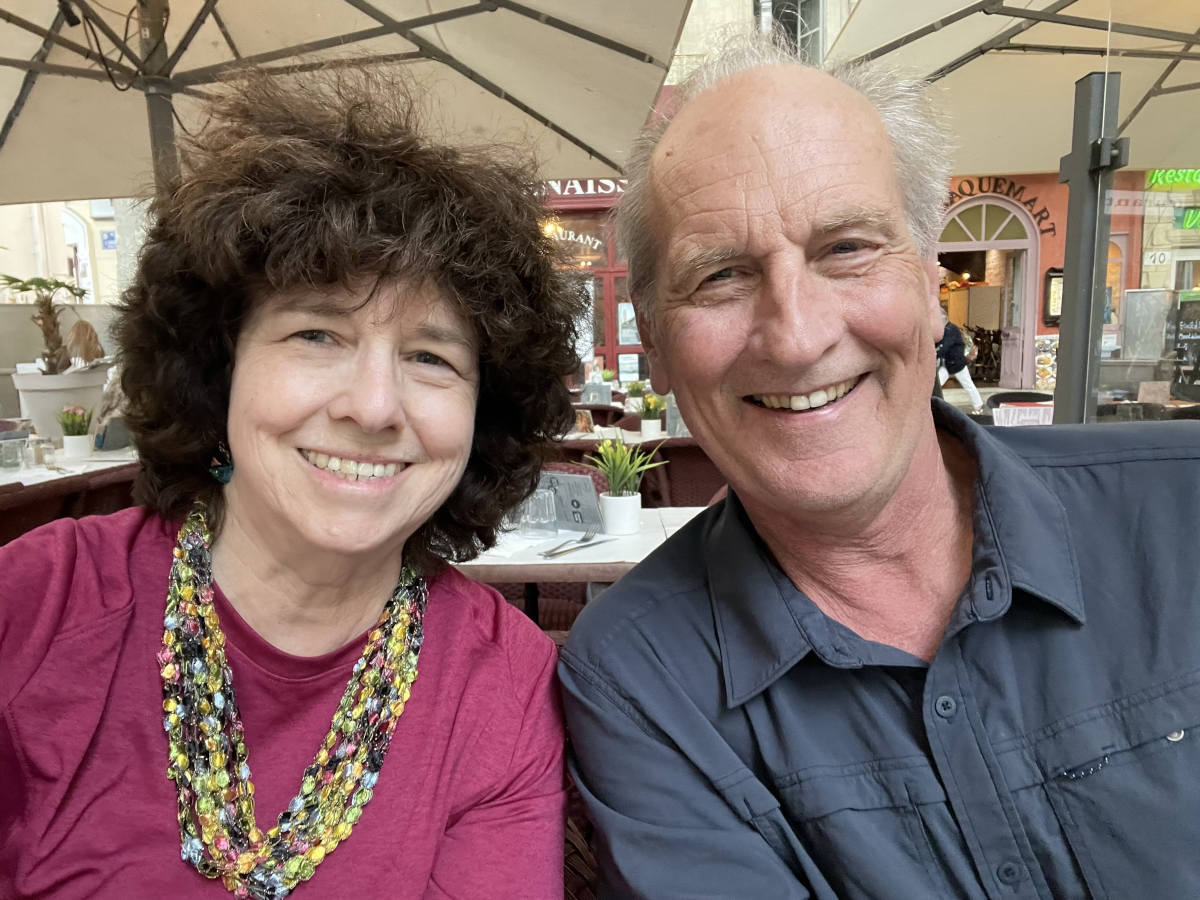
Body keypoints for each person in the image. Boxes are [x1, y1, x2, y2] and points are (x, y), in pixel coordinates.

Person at [559, 34, 1200, 899]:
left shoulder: (1183, 507)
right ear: (658, 345)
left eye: (847, 249)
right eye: (721, 276)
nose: (797, 337)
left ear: (930, 282)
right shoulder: (641, 679)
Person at [0, 70, 584, 899]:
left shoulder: (500, 681)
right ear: (218, 368)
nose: (373, 407)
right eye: (316, 334)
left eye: (430, 357)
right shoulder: (35, 605)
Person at [936, 310, 984, 412]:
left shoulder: (951, 329)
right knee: (937, 383)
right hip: (948, 363)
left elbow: (945, 345)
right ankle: (932, 404)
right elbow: (939, 343)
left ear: (943, 319)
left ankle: (978, 406)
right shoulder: (944, 329)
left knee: (968, 385)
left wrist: (935, 353)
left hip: (957, 363)